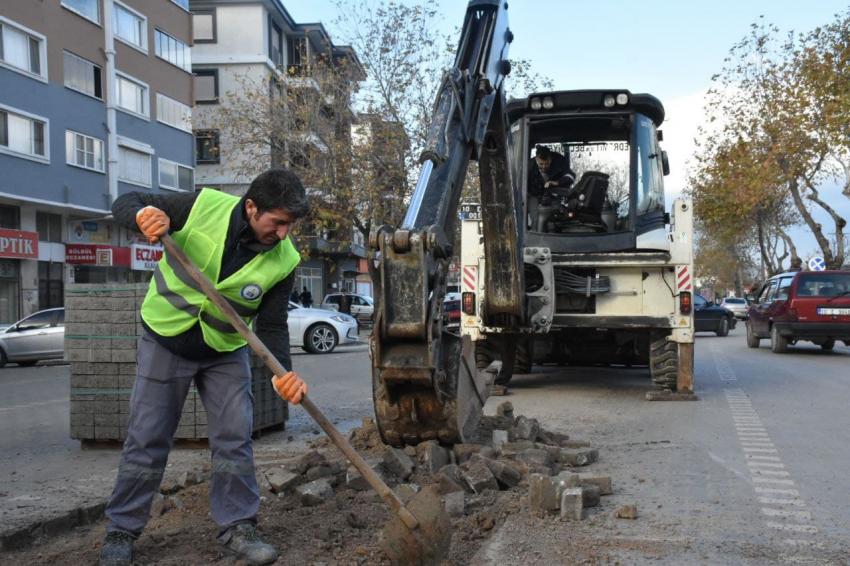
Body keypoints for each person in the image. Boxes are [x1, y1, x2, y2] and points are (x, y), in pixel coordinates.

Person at [99, 168, 310, 566]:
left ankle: (239, 527)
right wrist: (143, 216)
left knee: (235, 438)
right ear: (252, 207)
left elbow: (272, 325)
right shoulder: (202, 206)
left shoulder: (285, 259)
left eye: (290, 225)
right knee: (147, 437)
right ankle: (121, 530)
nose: (284, 233)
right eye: (278, 222)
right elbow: (125, 202)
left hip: (224, 351)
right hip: (166, 338)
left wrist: (282, 373)